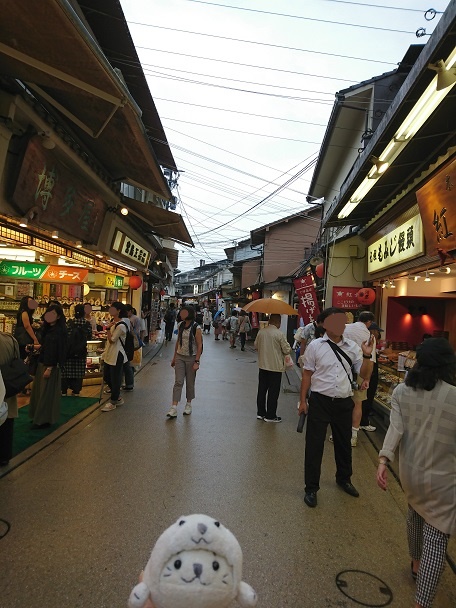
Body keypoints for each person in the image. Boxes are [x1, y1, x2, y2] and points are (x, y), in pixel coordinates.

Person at [376, 338, 456, 608]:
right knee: (436, 536)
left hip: (410, 473)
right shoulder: (454, 396)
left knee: (414, 516)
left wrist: (383, 460)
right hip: (444, 480)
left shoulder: (401, 391)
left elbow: (395, 429)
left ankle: (415, 562)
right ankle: (421, 602)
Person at [299, 307, 373, 508]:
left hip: (343, 402)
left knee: (343, 443)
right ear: (324, 324)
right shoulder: (315, 346)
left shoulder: (353, 347)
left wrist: (367, 356)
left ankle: (344, 479)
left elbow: (365, 374)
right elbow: (307, 374)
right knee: (314, 446)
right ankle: (311, 488)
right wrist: (303, 400)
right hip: (320, 402)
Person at [28, 304, 68, 429]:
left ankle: (43, 420)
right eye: (48, 313)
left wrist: (50, 368)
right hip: (42, 363)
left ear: (59, 316)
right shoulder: (46, 329)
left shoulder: (60, 331)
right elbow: (46, 347)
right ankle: (38, 417)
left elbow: (58, 350)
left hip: (50, 366)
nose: (50, 316)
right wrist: (33, 347)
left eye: (53, 314)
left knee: (46, 393)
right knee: (40, 392)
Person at [342, 310, 375, 446]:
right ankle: (353, 435)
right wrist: (367, 378)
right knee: (358, 403)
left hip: (343, 369)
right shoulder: (370, 336)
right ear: (369, 322)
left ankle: (340, 431)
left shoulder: (345, 328)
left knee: (342, 402)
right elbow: (371, 359)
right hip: (361, 370)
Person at [254, 313, 291, 423]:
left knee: (262, 390)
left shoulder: (261, 332)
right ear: (278, 322)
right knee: (273, 392)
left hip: (263, 366)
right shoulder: (279, 334)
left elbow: (256, 346)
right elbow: (287, 350)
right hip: (275, 367)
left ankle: (260, 413)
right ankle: (270, 415)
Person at [167, 306, 203, 418]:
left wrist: (197, 361)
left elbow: (199, 344)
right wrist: (174, 357)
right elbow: (178, 342)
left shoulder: (196, 327)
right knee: (178, 381)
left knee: (190, 382)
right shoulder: (180, 325)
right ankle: (174, 407)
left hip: (191, 357)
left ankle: (188, 404)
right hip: (180, 356)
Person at [100, 302, 128, 412]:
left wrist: (107, 330)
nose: (110, 310)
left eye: (113, 308)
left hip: (117, 354)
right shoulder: (113, 323)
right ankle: (118, 397)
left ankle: (114, 401)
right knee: (107, 376)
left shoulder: (121, 325)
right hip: (110, 354)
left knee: (115, 378)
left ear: (119, 310)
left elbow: (112, 340)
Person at [61, 304, 92, 397]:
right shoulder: (87, 324)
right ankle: (76, 391)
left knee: (66, 372)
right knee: (78, 372)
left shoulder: (70, 322)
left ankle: (63, 391)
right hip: (81, 352)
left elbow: (65, 336)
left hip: (69, 352)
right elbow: (89, 337)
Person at [0, 333, 20, 465]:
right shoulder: (10, 339)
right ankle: (4, 456)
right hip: (10, 384)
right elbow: (17, 359)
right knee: (7, 419)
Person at [360, 322, 382, 432]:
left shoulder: (368, 340)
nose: (378, 333)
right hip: (370, 373)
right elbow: (371, 360)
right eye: (377, 331)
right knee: (367, 398)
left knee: (364, 399)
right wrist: (368, 377)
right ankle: (363, 421)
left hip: (368, 373)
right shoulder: (370, 340)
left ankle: (361, 421)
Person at [124, 305, 142, 391]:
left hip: (130, 343)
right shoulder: (129, 319)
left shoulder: (134, 319)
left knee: (129, 364)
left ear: (130, 311)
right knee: (128, 364)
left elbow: (137, 331)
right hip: (129, 343)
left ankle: (129, 384)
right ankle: (129, 383)